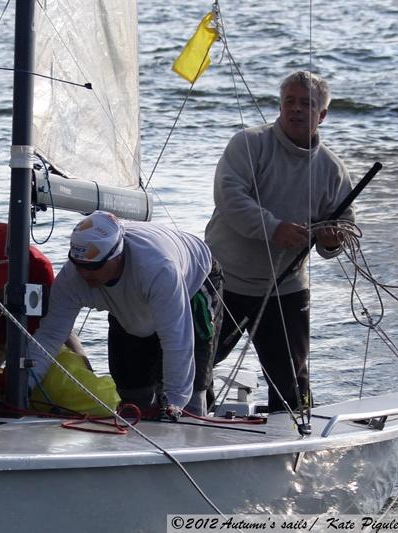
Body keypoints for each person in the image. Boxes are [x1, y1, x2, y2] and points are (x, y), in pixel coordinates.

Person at [204, 70, 353, 412]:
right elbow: (229, 197)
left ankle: (290, 447)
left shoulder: (332, 169)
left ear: (323, 115)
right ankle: (191, 426)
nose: (296, 109)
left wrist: (331, 241)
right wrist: (273, 228)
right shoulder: (248, 144)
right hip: (224, 280)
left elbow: (344, 225)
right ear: (280, 105)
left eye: (307, 104)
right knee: (196, 365)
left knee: (291, 382)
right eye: (290, 101)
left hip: (285, 287)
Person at [26, 211, 222, 417]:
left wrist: (174, 403)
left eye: (94, 266)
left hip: (193, 282)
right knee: (131, 394)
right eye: (79, 265)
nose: (85, 274)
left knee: (190, 393)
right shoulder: (71, 279)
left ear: (117, 255)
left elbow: (177, 340)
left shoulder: (158, 269)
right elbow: (49, 337)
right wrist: (24, 383)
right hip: (130, 303)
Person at [0, 223, 85, 371]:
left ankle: (89, 383)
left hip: (31, 318)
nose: (1, 288)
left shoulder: (38, 268)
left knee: (66, 340)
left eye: (6, 278)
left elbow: (43, 326)